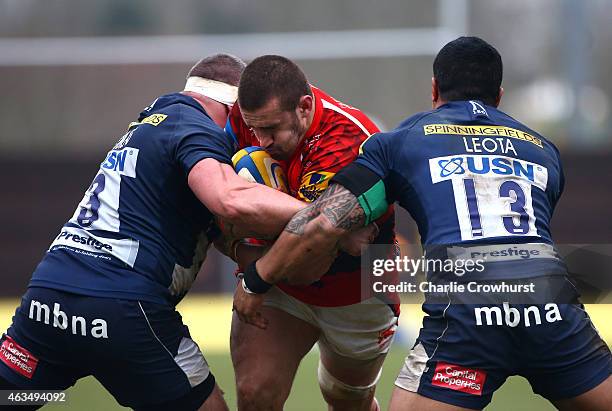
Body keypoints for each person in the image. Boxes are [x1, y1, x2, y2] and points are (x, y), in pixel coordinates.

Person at [233, 37, 612, 411]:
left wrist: (256, 279)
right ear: (498, 95)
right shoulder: (545, 151)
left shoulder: (401, 142)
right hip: (550, 308)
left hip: (468, 313)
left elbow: (323, 224)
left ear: (434, 89)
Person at [0, 53, 308, 411]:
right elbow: (229, 199)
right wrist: (322, 218)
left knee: (16, 398)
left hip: (47, 303)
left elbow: (222, 230)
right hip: (121, 312)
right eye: (250, 125)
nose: (255, 138)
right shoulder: (195, 127)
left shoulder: (151, 125)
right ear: (233, 109)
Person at [225, 55, 399, 411]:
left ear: (305, 107)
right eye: (252, 128)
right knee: (255, 395)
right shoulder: (242, 119)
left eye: (271, 129)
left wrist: (255, 270)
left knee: (348, 400)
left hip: (360, 287)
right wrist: (249, 257)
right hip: (279, 286)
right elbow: (221, 210)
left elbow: (310, 257)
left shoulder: (348, 137)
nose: (260, 140)